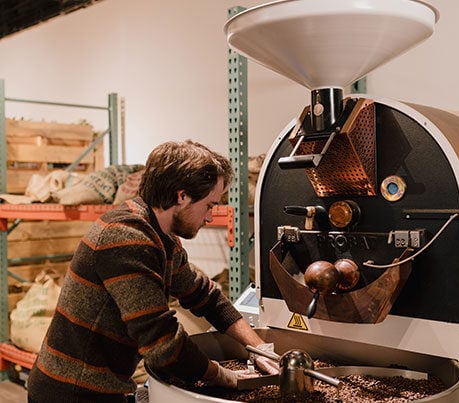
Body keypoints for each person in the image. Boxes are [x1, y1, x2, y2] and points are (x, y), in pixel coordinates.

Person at [27, 140, 278, 403]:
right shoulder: (126, 237)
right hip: (73, 392)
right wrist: (227, 377)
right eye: (209, 205)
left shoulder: (161, 236)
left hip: (105, 387)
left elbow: (204, 296)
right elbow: (162, 344)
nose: (209, 217)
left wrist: (259, 348)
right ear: (181, 196)